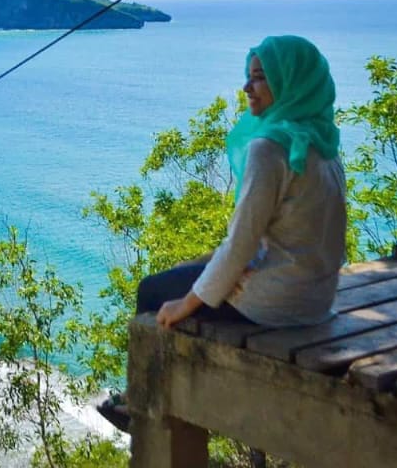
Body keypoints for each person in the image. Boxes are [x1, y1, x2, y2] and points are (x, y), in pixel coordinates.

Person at [98, 35, 347, 431]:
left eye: (261, 78)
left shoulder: (270, 148)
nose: (248, 88)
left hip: (275, 303)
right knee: (191, 268)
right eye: (248, 77)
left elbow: (240, 243)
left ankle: (140, 405)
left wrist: (187, 304)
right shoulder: (323, 145)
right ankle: (142, 396)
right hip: (316, 299)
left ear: (290, 82)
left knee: (152, 290)